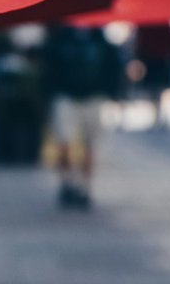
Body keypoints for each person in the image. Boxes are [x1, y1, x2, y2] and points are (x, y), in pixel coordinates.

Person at [44, 25, 121, 209]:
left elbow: (112, 67)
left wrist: (112, 93)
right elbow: (50, 67)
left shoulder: (100, 39)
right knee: (64, 142)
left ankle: (84, 188)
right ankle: (67, 183)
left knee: (91, 146)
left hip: (94, 96)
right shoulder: (61, 38)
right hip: (67, 95)